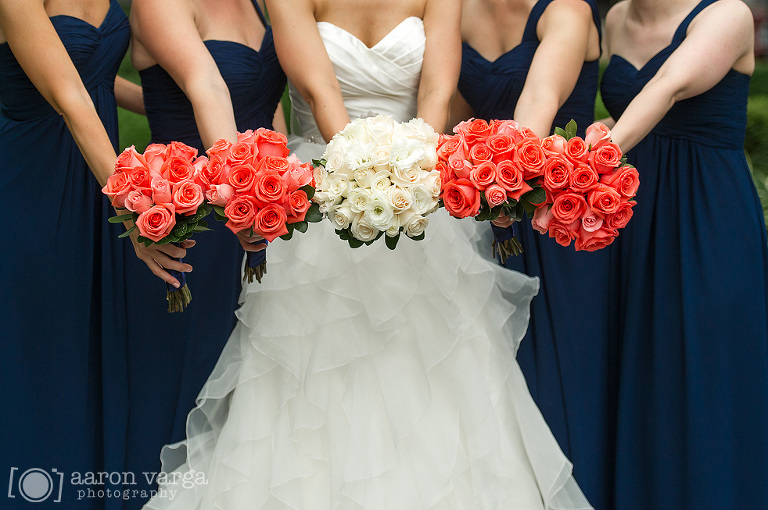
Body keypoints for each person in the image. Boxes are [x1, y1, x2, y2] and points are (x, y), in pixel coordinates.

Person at [142, 0, 594, 508]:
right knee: (308, 377)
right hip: (326, 188)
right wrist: (363, 177)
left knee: (438, 372)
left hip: (422, 185)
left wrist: (413, 173)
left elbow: (437, 90)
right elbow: (320, 89)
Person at [0, 0, 188, 508]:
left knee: (89, 341)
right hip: (33, 187)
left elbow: (95, 76)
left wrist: (172, 106)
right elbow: (69, 95)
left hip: (97, 178)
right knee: (39, 348)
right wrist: (136, 214)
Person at [600, 0, 768, 507]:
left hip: (705, 218)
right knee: (644, 369)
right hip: (629, 215)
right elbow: (625, 108)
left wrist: (593, 156)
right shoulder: (615, 19)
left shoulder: (727, 14)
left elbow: (668, 85)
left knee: (703, 370)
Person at [123, 0, 285, 507]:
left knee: (261, 388)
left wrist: (277, 188)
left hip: (264, 212)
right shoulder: (159, 5)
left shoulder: (258, 3)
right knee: (194, 384)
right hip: (194, 220)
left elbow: (266, 103)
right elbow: (207, 86)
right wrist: (243, 200)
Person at [453, 0, 612, 505]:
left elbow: (539, 99)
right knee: (496, 379)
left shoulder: (566, 10)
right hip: (484, 220)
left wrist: (503, 181)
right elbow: (457, 116)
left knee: (565, 377)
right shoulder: (456, 10)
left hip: (559, 222)